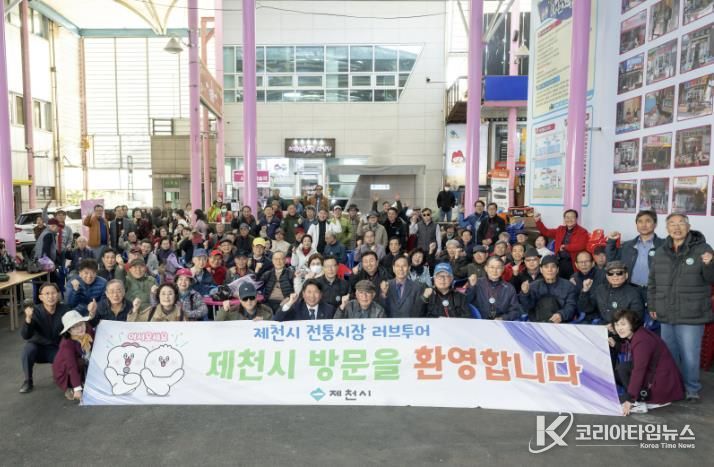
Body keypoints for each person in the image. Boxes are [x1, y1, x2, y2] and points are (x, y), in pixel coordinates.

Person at [647, 213, 714, 402]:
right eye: (672, 224)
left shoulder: (703, 249)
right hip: (666, 311)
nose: (676, 227)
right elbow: (652, 282)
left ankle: (692, 388)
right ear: (667, 228)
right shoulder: (660, 251)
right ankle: (674, 386)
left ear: (688, 226)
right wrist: (652, 304)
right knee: (669, 353)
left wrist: (710, 264)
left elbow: (711, 278)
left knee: (690, 355)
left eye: (681, 223)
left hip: (692, 312)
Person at [613, 309, 684, 415]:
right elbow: (635, 351)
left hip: (661, 384)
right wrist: (616, 345)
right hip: (658, 375)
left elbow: (639, 370)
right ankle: (637, 397)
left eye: (623, 324)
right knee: (621, 369)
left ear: (632, 324)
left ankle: (639, 401)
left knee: (624, 369)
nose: (619, 328)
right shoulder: (640, 333)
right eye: (617, 324)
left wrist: (630, 399)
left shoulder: (642, 340)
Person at [19, 283, 71, 393]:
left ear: (58, 295)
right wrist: (28, 319)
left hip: (56, 348)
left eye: (53, 293)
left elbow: (71, 330)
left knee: (67, 370)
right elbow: (26, 335)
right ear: (41, 297)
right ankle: (28, 381)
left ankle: (61, 377)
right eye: (47, 294)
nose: (50, 296)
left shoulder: (65, 309)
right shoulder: (34, 311)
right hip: (39, 347)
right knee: (28, 349)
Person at [606, 210, 665, 304]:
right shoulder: (627, 245)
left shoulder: (664, 245)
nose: (643, 224)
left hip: (655, 292)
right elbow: (611, 260)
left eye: (648, 221)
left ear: (655, 224)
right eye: (640, 221)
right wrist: (611, 242)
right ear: (636, 224)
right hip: (630, 290)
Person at [578, 261, 644, 323]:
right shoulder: (600, 289)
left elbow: (637, 317)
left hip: (622, 328)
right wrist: (585, 291)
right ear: (607, 276)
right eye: (610, 273)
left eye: (619, 273)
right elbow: (586, 308)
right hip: (602, 325)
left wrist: (616, 325)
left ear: (626, 275)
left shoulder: (634, 293)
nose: (615, 276)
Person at [519, 255, 577, 323]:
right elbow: (528, 306)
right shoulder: (534, 286)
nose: (550, 270)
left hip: (561, 323)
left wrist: (561, 315)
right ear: (541, 270)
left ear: (557, 270)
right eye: (546, 267)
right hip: (538, 323)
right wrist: (525, 293)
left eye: (553, 267)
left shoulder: (568, 286)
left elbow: (571, 306)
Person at [51, 310, 94, 401]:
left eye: (81, 324)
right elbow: (72, 366)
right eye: (74, 327)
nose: (80, 328)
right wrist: (77, 389)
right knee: (79, 363)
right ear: (69, 331)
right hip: (65, 370)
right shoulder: (66, 344)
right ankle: (71, 386)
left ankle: (84, 379)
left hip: (83, 360)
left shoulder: (88, 330)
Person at [534, 209, 589, 278]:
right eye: (567, 217)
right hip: (558, 262)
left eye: (572, 217)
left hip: (572, 264)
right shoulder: (560, 229)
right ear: (564, 219)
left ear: (576, 219)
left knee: (572, 282)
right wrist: (538, 221)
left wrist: (565, 247)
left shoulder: (582, 231)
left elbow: (581, 245)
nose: (569, 219)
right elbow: (546, 232)